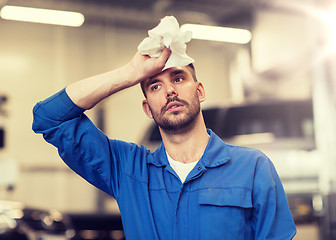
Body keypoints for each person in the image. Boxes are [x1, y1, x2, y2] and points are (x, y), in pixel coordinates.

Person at [32, 47, 297, 239]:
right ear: (148, 108)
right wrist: (131, 73)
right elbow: (49, 117)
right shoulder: (128, 170)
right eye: (155, 86)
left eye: (178, 78)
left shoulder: (252, 168)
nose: (169, 90)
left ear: (200, 90)